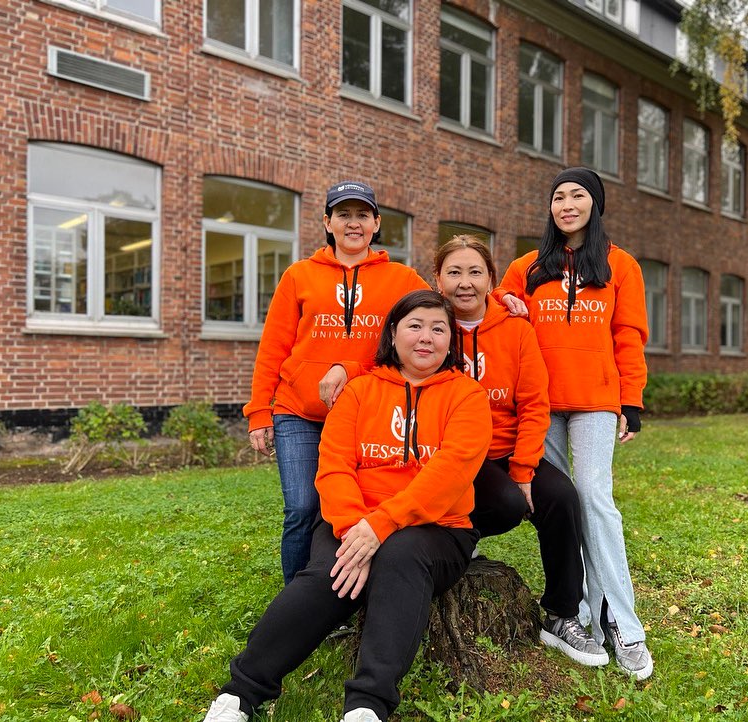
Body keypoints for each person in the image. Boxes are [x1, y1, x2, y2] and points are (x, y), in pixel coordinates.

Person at [203, 290, 492, 722]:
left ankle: (367, 705)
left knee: (401, 556)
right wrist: (356, 529)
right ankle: (241, 692)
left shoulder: (468, 396)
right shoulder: (359, 391)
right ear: (392, 334)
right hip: (351, 520)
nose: (426, 337)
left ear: (451, 341)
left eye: (439, 329)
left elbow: (449, 474)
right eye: (415, 326)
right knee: (328, 575)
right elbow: (334, 466)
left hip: (439, 528)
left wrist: (380, 527)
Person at [497, 167, 653, 680]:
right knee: (562, 503)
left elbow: (628, 336)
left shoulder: (620, 265)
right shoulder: (526, 266)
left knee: (594, 498)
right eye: (558, 196)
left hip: (594, 401)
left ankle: (624, 625)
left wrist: (631, 400)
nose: (566, 204)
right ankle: (579, 609)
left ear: (595, 204)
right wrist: (507, 303)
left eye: (577, 195)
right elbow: (493, 310)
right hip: (539, 403)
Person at [433, 236, 608, 668]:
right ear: (437, 280)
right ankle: (457, 536)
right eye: (454, 272)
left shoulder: (516, 330)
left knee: (561, 497)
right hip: (452, 455)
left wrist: (525, 469)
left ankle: (562, 615)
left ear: (492, 280)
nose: (465, 283)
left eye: (475, 272)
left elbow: (533, 405)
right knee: (508, 505)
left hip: (506, 450)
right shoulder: (429, 329)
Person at [243, 181, 429, 585]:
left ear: (376, 223)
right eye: (343, 215)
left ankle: (345, 590)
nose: (353, 223)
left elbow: (442, 317)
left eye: (362, 215)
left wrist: (502, 299)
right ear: (328, 223)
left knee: (354, 507)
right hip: (299, 413)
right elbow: (273, 347)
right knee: (302, 507)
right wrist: (259, 411)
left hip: (364, 415)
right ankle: (298, 596)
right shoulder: (299, 275)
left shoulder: (402, 279)